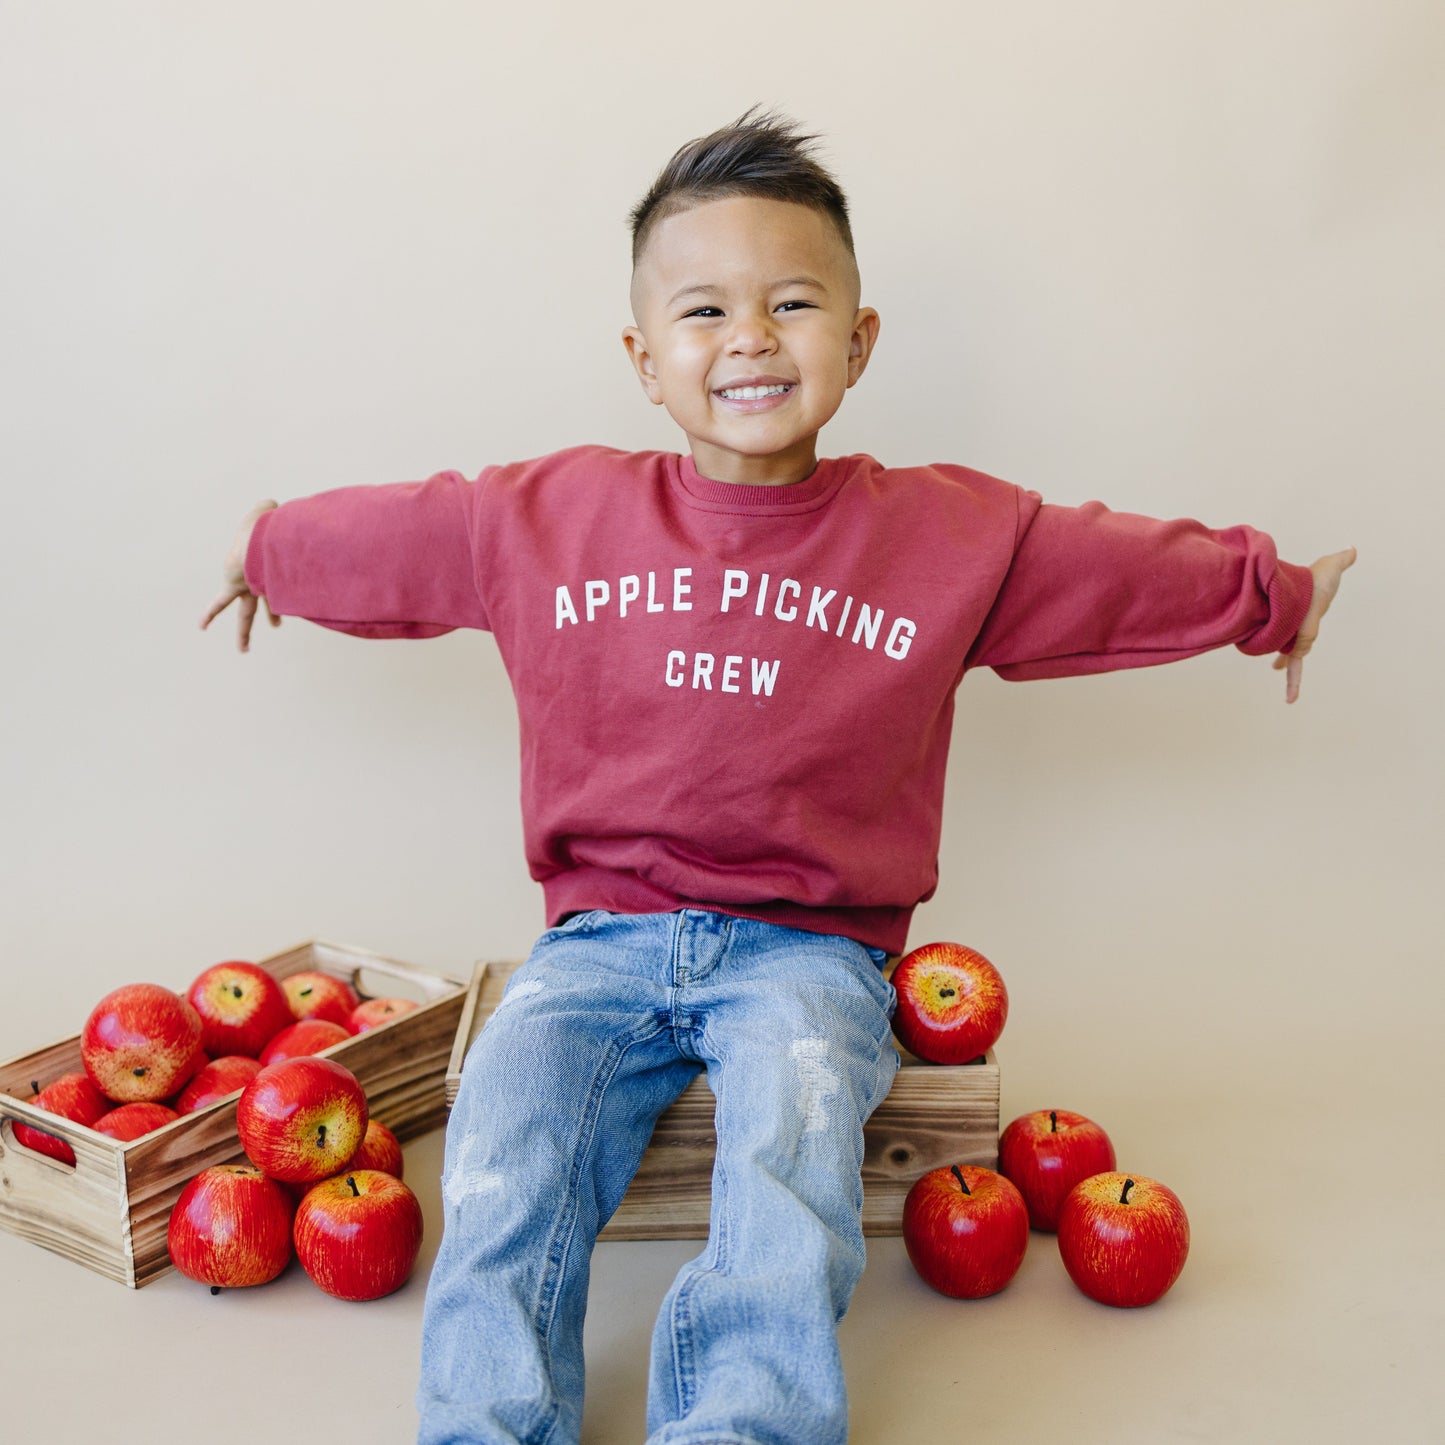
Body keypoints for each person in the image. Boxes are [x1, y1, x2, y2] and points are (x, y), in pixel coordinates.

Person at [201, 109, 1354, 1445]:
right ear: (643, 358)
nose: (747, 336)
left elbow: (1112, 571)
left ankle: (742, 1424)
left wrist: (1269, 594)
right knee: (506, 1146)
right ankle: (487, 1424)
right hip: (599, 943)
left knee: (788, 1160)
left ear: (857, 343)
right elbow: (403, 535)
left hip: (810, 953)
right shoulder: (549, 515)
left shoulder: (947, 535)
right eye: (702, 309)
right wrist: (271, 546)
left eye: (791, 301)